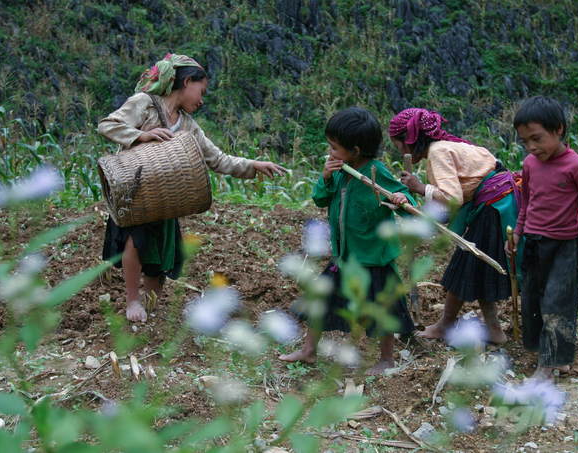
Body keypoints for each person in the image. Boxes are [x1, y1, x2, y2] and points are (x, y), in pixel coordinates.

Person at [98, 53, 287, 322]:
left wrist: (253, 165)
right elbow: (107, 124)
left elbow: (217, 159)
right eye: (202, 91)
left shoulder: (188, 125)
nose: (202, 99)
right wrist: (141, 135)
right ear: (187, 82)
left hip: (165, 198)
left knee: (161, 252)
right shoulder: (145, 105)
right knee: (134, 243)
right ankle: (133, 301)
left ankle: (152, 308)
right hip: (136, 192)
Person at [279, 106, 417, 375]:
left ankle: (387, 360)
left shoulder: (377, 172)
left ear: (355, 150)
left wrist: (402, 199)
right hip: (344, 257)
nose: (329, 153)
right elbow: (321, 199)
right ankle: (309, 351)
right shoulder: (340, 171)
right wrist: (326, 176)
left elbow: (404, 200)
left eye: (334, 148)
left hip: (374, 259)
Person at [389, 108, 521, 344]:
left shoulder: (438, 152)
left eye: (400, 146)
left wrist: (420, 188)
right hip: (497, 202)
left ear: (410, 140)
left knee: (464, 263)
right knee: (476, 266)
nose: (400, 152)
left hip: (492, 207)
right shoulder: (451, 145)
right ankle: (493, 330)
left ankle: (444, 327)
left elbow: (453, 198)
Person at [506, 95, 578, 383]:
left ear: (558, 129)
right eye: (525, 141)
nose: (532, 147)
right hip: (533, 243)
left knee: (558, 303)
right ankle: (555, 359)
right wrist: (518, 235)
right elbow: (527, 203)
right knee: (533, 299)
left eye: (537, 138)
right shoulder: (531, 165)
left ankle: (546, 369)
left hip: (564, 247)